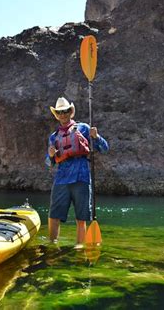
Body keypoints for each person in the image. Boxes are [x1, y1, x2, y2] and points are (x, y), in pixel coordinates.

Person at [46, 97, 109, 246]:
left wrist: (97, 137)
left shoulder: (84, 129)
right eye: (60, 112)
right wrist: (50, 156)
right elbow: (49, 163)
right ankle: (52, 244)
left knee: (81, 218)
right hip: (61, 179)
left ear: (70, 112)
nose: (63, 114)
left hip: (81, 178)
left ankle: (79, 247)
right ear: (57, 114)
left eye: (66, 111)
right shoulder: (54, 137)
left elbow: (105, 149)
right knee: (54, 215)